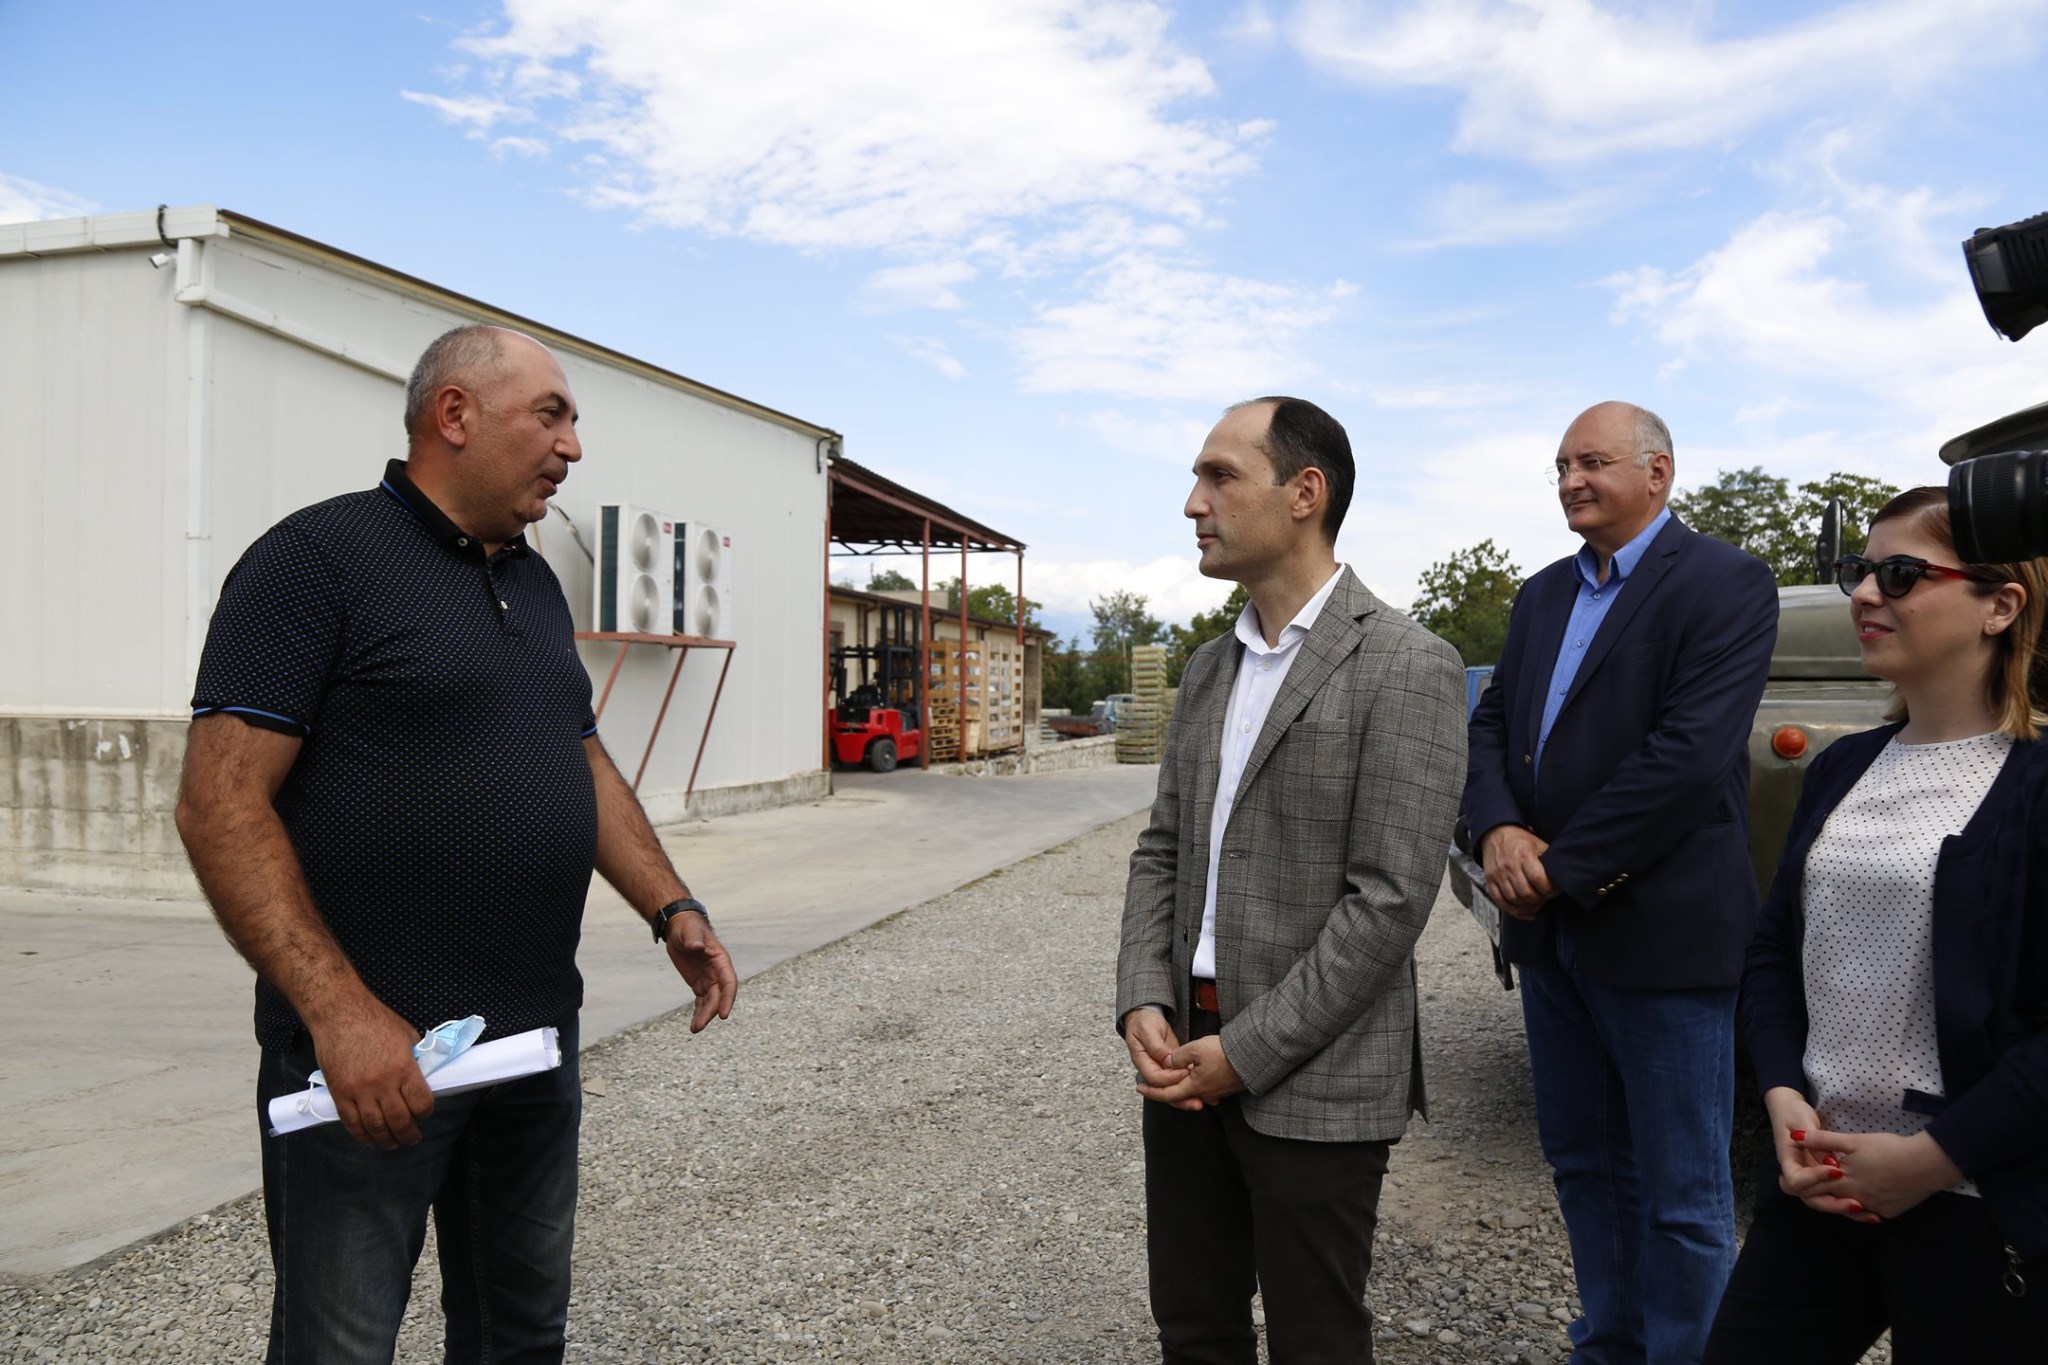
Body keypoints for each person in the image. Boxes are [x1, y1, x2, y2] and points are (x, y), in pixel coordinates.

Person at [175, 324, 738, 1363]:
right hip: (370, 1061)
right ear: (454, 415)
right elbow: (220, 805)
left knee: (519, 1334)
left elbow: (579, 755)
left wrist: (673, 906)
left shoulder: (531, 580)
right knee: (340, 1346)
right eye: (551, 415)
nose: (572, 447)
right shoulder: (315, 561)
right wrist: (341, 1017)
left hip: (529, 1044)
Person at [1116, 396, 1467, 1364]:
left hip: (1318, 1076)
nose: (1194, 503)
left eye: (1220, 476)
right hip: (1182, 1055)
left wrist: (1246, 1050)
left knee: (1316, 1340)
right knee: (1194, 1327)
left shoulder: (1407, 665)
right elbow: (1162, 847)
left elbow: (1388, 900)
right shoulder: (1207, 670)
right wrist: (1142, 995)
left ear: (1304, 493)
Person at [1463, 401, 1777, 1363]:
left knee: (1683, 1192)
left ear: (1658, 472)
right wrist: (1498, 828)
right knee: (1586, 1166)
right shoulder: (1541, 595)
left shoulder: (1726, 582)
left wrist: (1554, 867)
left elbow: (1688, 759)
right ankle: (1610, 1343)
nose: (1570, 481)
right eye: (1561, 466)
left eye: (1592, 462)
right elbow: (1490, 727)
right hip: (1551, 938)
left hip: (1660, 934)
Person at [1703, 486, 2048, 1361]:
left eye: (1900, 574)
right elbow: (1774, 951)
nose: (1863, 593)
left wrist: (1933, 1157)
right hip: (1818, 1182)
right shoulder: (1844, 764)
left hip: (1977, 1204)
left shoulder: (2035, 781)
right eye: (1861, 570)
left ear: (2001, 606)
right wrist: (1782, 1092)